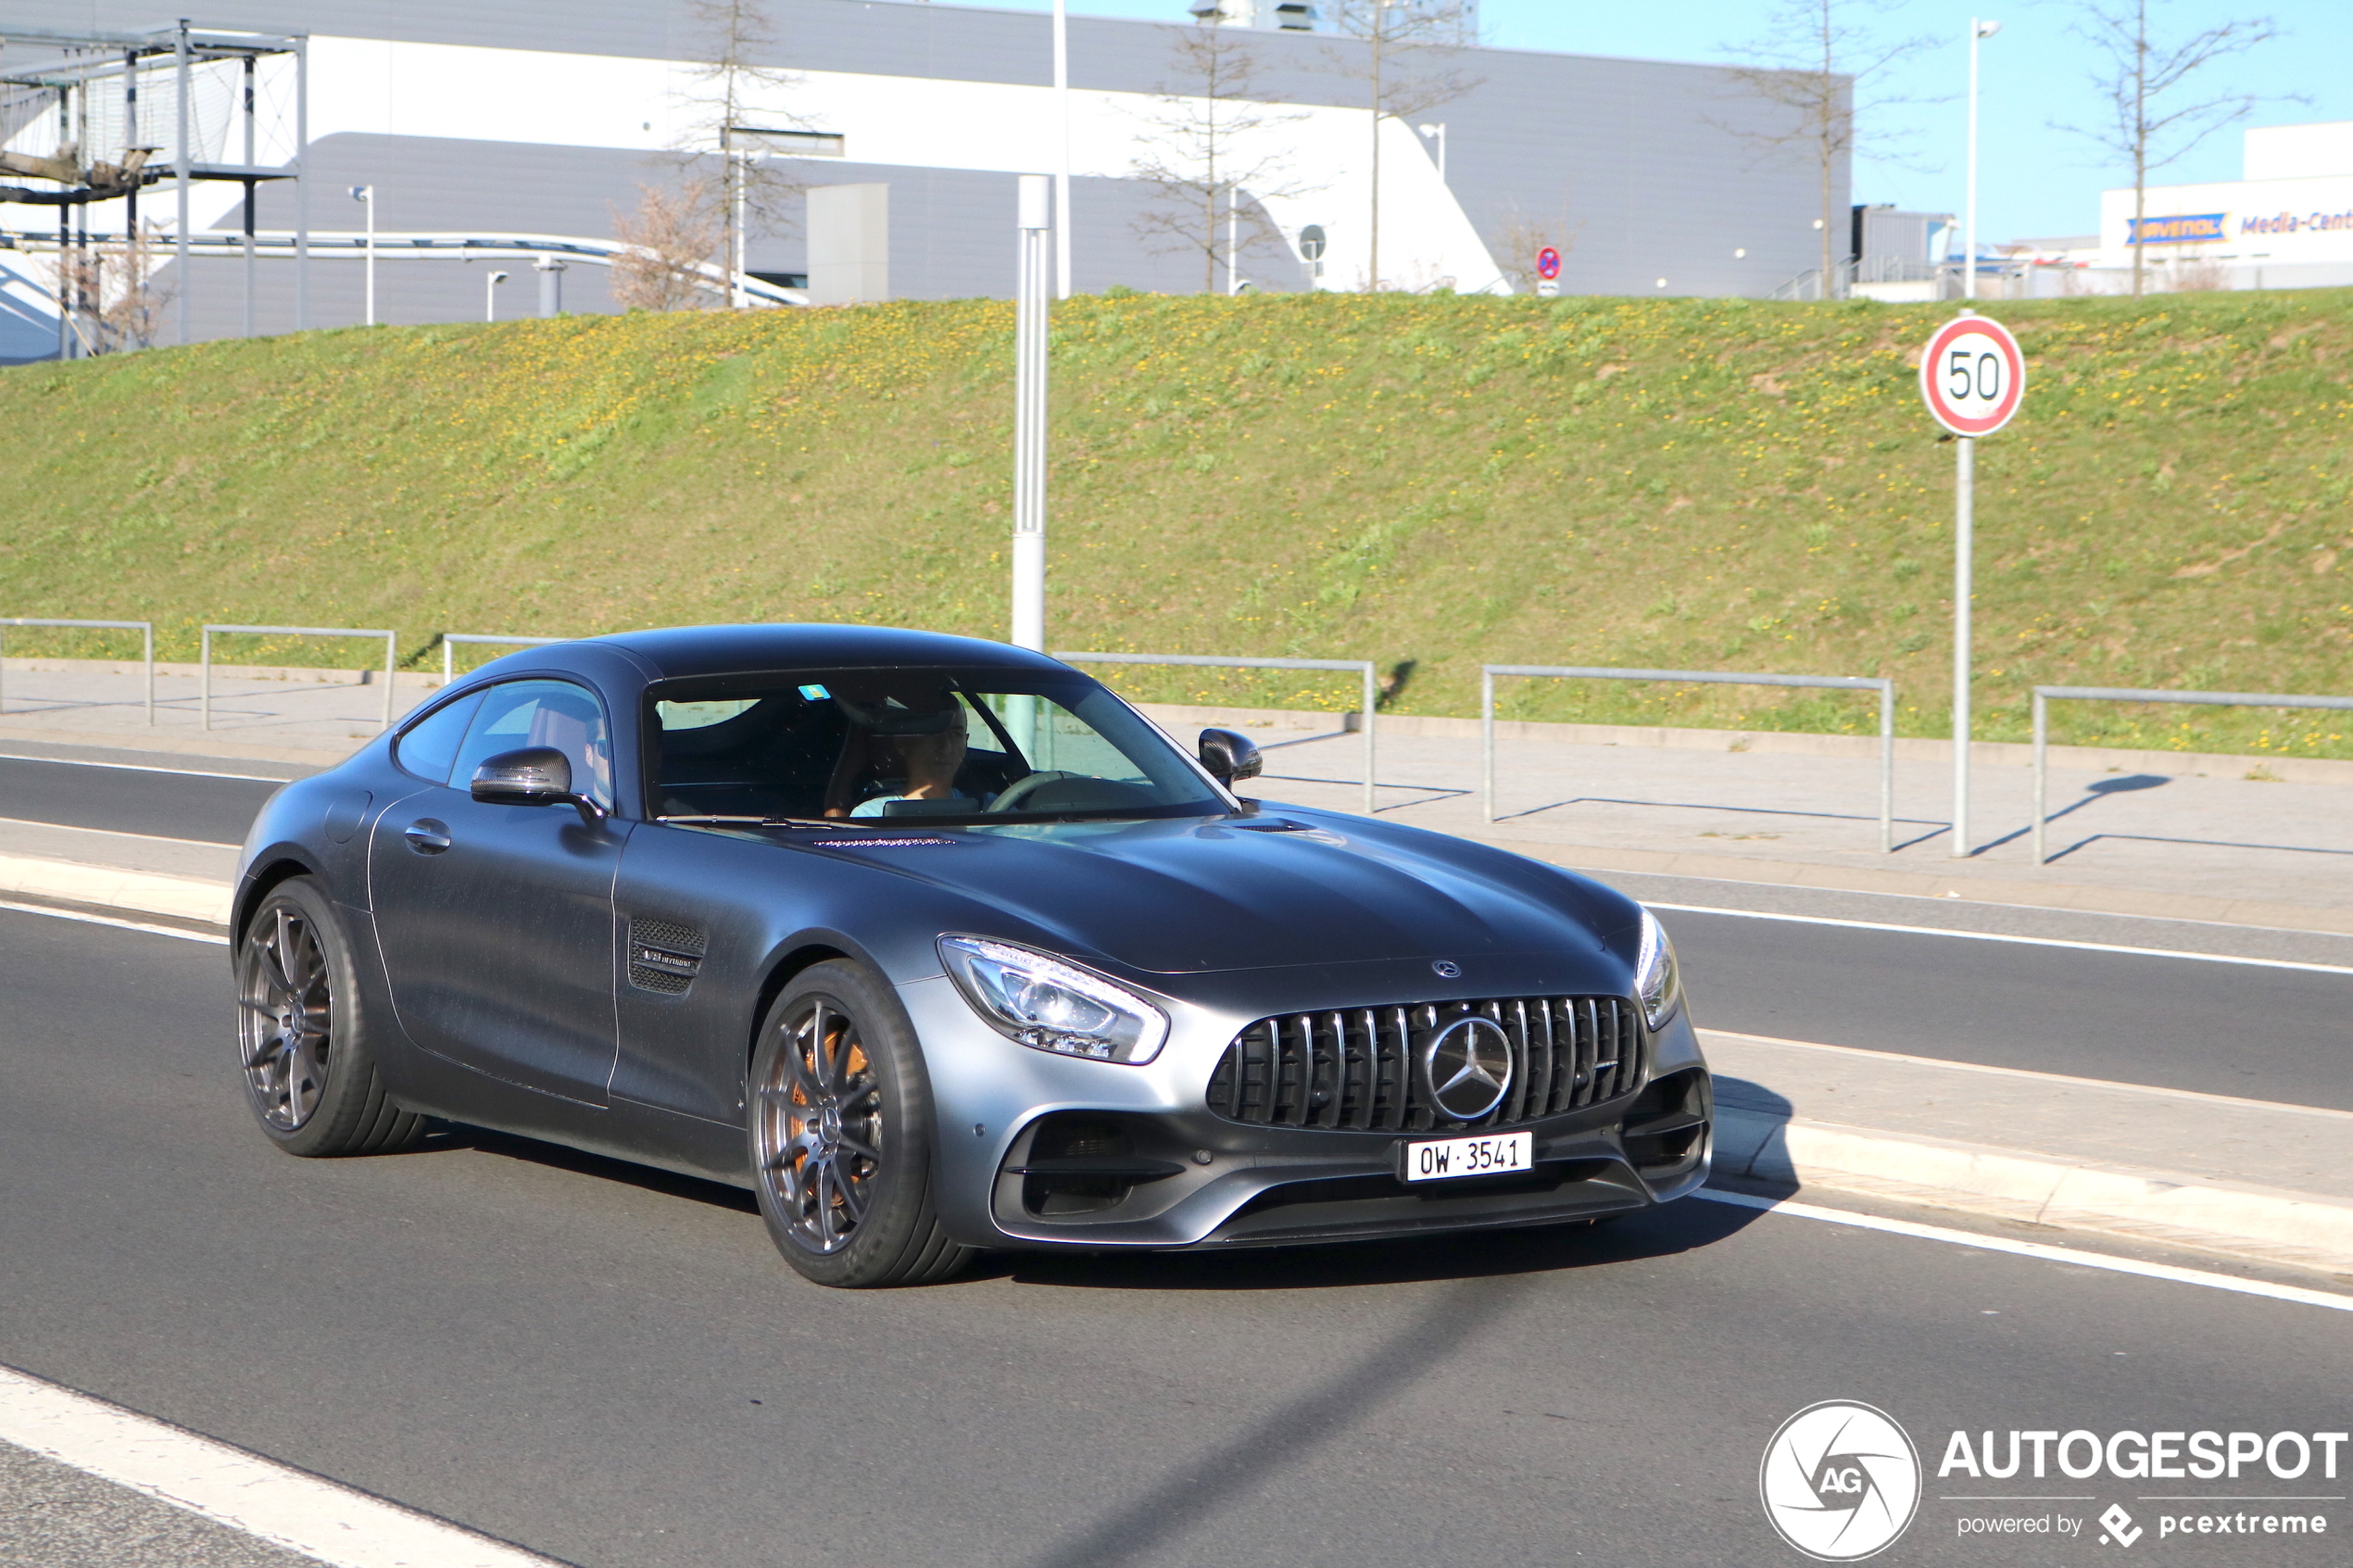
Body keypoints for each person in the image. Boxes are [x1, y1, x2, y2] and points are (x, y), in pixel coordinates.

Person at [831, 696, 979, 817]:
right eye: (933, 733)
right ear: (902, 744)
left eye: (955, 735)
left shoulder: (989, 807)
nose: (945, 748)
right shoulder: (873, 815)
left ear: (965, 743)